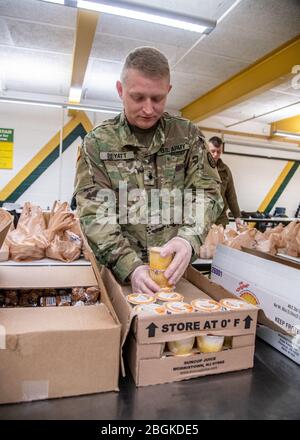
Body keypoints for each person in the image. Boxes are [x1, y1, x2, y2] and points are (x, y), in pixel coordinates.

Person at [74, 47, 223, 294]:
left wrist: (188, 239)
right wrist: (130, 266)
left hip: (173, 276)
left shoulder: (186, 137)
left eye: (157, 98)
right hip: (119, 279)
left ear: (169, 91)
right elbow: (94, 215)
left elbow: (206, 192)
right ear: (120, 91)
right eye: (138, 97)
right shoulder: (97, 144)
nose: (148, 109)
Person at [207, 136, 242, 228]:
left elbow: (231, 194)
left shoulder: (225, 170)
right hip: (202, 218)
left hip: (220, 219)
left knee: (219, 242)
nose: (215, 154)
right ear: (207, 150)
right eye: (213, 151)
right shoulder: (199, 168)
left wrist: (237, 216)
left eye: (218, 152)